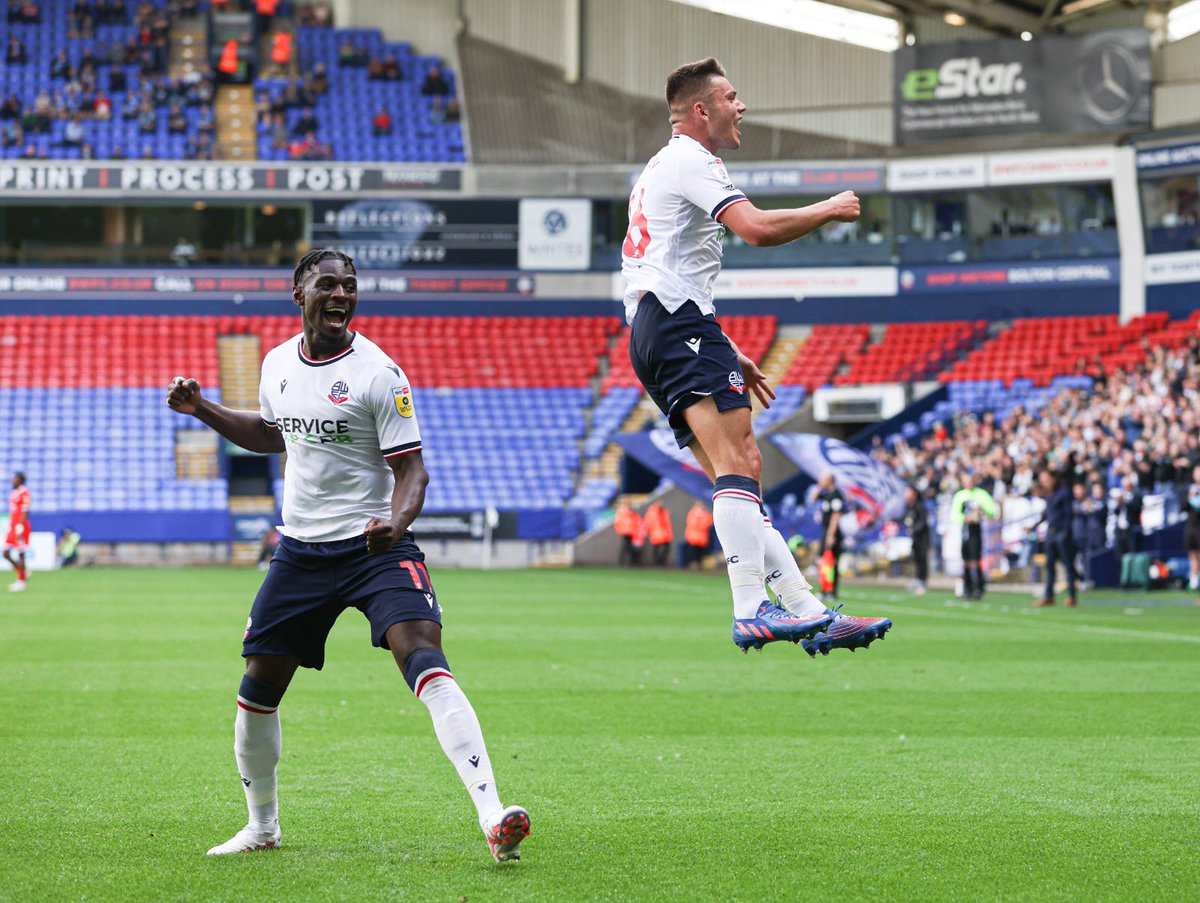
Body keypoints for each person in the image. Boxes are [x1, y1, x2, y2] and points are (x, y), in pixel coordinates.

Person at [166, 249, 530, 861]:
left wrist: (396, 521)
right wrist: (202, 408)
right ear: (298, 294)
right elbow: (270, 433)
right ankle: (262, 827)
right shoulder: (279, 362)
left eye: (350, 286)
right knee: (257, 687)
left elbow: (413, 472)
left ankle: (493, 814)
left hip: (374, 549)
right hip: (301, 552)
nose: (341, 294)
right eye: (327, 284)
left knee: (422, 654)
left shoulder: (380, 374)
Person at [621, 58, 888, 656]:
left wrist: (726, 348)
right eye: (731, 97)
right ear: (701, 110)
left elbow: (657, 266)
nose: (741, 107)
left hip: (658, 326)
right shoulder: (693, 160)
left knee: (733, 477)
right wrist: (829, 208)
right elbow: (757, 229)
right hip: (675, 323)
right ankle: (750, 608)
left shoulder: (662, 166)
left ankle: (808, 611)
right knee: (743, 460)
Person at [1033, 471, 1078, 608]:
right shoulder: (1049, 494)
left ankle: (1071, 595)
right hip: (1050, 534)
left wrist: (1065, 533)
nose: (1044, 483)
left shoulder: (1064, 493)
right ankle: (1049, 596)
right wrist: (1033, 526)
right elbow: (1047, 514)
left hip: (1061, 534)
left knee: (1068, 565)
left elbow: (1068, 515)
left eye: (1046, 480)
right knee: (1050, 566)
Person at [951, 471, 997, 600]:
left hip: (976, 529)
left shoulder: (981, 495)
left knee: (976, 560)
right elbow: (955, 514)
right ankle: (968, 588)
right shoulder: (960, 495)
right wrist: (965, 519)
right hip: (965, 530)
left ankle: (979, 588)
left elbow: (992, 511)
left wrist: (980, 513)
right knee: (966, 560)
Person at [5, 472, 31, 592]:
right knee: (5, 552)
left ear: (20, 480)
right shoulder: (15, 493)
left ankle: (21, 581)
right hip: (13, 526)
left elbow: (25, 511)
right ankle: (22, 572)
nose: (12, 481)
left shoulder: (24, 493)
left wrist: (20, 525)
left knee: (21, 553)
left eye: (14, 479)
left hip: (20, 526)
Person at [902, 485, 929, 596]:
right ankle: (918, 581)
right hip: (913, 538)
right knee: (917, 559)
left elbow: (923, 523)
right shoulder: (908, 507)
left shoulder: (920, 506)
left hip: (922, 537)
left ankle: (922, 582)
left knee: (922, 558)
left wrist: (913, 530)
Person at [679, 501, 713, 568]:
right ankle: (693, 564)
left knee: (699, 553)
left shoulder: (704, 514)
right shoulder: (694, 514)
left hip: (699, 538)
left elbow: (708, 523)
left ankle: (697, 564)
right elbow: (694, 524)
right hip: (694, 538)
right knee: (693, 553)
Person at [644, 500, 673, 566]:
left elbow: (667, 523)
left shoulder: (664, 511)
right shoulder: (652, 512)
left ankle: (661, 562)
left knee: (665, 549)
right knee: (656, 549)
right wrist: (648, 531)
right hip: (656, 533)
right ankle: (656, 563)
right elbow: (648, 522)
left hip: (665, 534)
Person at [1185, 465, 1200, 593]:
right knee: (1193, 554)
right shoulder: (1191, 489)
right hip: (1192, 526)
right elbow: (1184, 507)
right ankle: (1194, 582)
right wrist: (1191, 496)